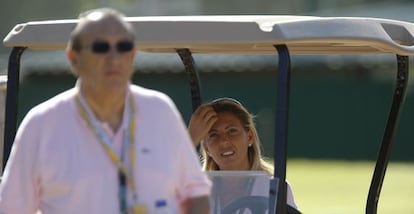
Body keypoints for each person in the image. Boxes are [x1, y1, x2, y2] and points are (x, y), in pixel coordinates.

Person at [0, 8, 211, 214]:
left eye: (124, 46)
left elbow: (196, 193)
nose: (114, 57)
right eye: (100, 47)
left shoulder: (161, 111)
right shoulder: (41, 124)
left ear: (133, 56)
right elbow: (12, 208)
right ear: (74, 58)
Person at [188, 97, 297, 209]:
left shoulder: (274, 188)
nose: (224, 141)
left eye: (232, 131)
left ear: (249, 137)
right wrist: (189, 139)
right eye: (214, 135)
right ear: (206, 148)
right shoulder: (196, 191)